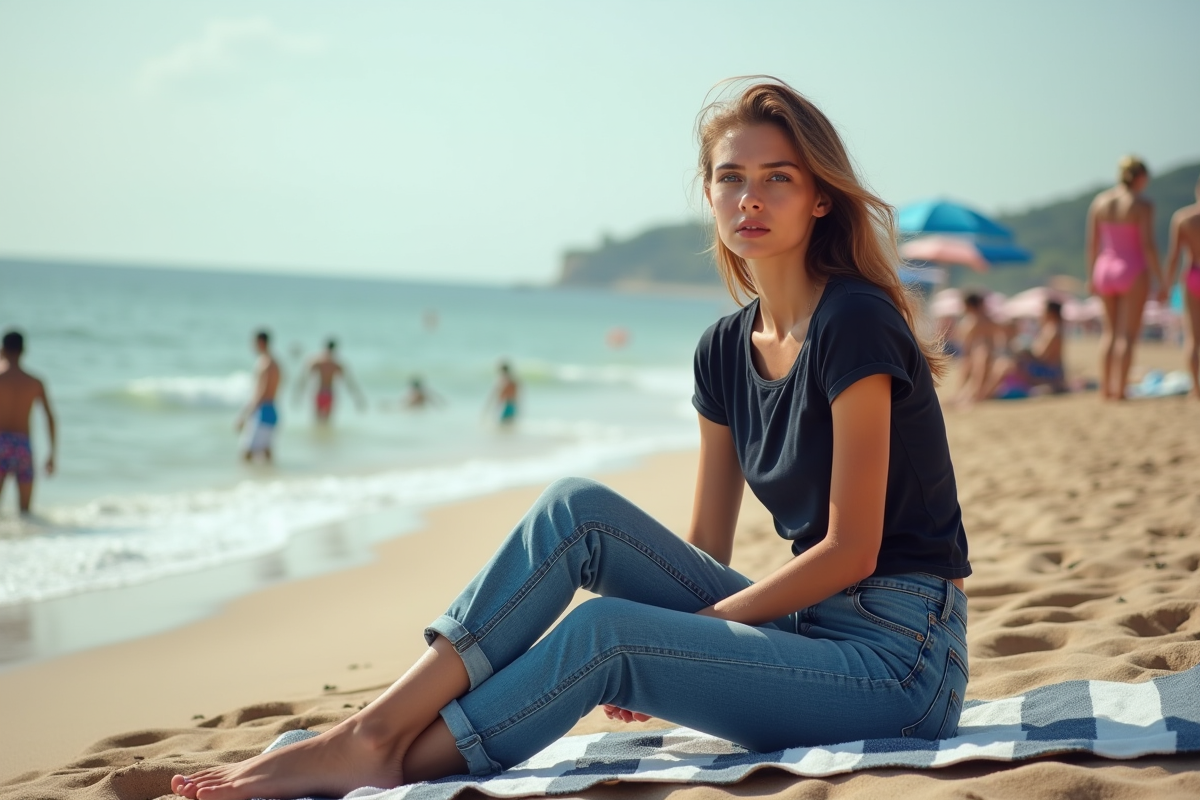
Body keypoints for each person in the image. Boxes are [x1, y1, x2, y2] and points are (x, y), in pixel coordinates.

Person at [171, 78, 970, 800]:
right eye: (731, 178)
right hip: (811, 628)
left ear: (819, 200)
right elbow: (698, 548)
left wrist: (686, 633)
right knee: (574, 509)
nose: (749, 198)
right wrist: (688, 628)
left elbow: (851, 550)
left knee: (605, 631)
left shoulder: (855, 320)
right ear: (709, 193)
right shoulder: (724, 349)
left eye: (777, 178)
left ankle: (382, 756)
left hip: (900, 660)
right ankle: (372, 733)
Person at [1086, 156, 1166, 400]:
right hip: (1131, 268)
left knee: (1109, 334)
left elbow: (1092, 245)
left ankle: (1105, 390)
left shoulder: (1100, 201)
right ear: (1140, 177)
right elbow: (1148, 245)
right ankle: (1120, 390)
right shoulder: (1142, 204)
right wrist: (1161, 279)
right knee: (1127, 335)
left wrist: (1091, 276)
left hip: (1104, 268)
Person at [0, 330, 56, 514]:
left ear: (3, 350)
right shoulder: (34, 381)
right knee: (25, 511)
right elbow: (49, 416)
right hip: (23, 445)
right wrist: (52, 454)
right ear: (24, 350)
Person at [985, 300, 1067, 398]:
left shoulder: (1052, 331)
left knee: (1005, 366)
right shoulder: (1052, 329)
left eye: (1043, 311)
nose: (1041, 314)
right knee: (1003, 364)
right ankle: (987, 393)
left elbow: (1041, 355)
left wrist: (1024, 352)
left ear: (1051, 313)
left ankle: (985, 394)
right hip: (1050, 370)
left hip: (1050, 373)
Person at [1164, 174, 1200, 399]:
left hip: (1193, 274)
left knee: (1193, 338)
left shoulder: (1183, 218)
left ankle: (1197, 389)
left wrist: (1166, 286)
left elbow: (1174, 257)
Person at [235, 330, 281, 463]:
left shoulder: (265, 364)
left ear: (260, 342)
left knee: (247, 453)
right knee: (266, 451)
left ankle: (246, 481)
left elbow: (260, 393)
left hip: (263, 412)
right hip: (272, 409)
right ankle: (271, 479)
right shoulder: (276, 363)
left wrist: (244, 415)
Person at [294, 338, 366, 422]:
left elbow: (304, 378)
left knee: (317, 421)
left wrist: (298, 395)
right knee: (327, 421)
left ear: (325, 347)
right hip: (329, 394)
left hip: (319, 393)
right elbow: (349, 383)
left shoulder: (317, 362)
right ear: (335, 349)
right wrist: (358, 398)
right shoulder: (336, 364)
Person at [954, 292, 1006, 404]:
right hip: (988, 356)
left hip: (982, 357)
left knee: (978, 358)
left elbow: (966, 344)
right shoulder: (988, 320)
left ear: (970, 306)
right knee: (977, 359)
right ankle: (967, 396)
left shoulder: (973, 322)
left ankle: (968, 396)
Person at [486, 361, 519, 426]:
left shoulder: (505, 379)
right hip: (512, 403)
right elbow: (515, 392)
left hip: (507, 403)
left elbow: (503, 391)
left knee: (504, 422)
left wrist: (498, 401)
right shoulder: (513, 379)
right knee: (509, 422)